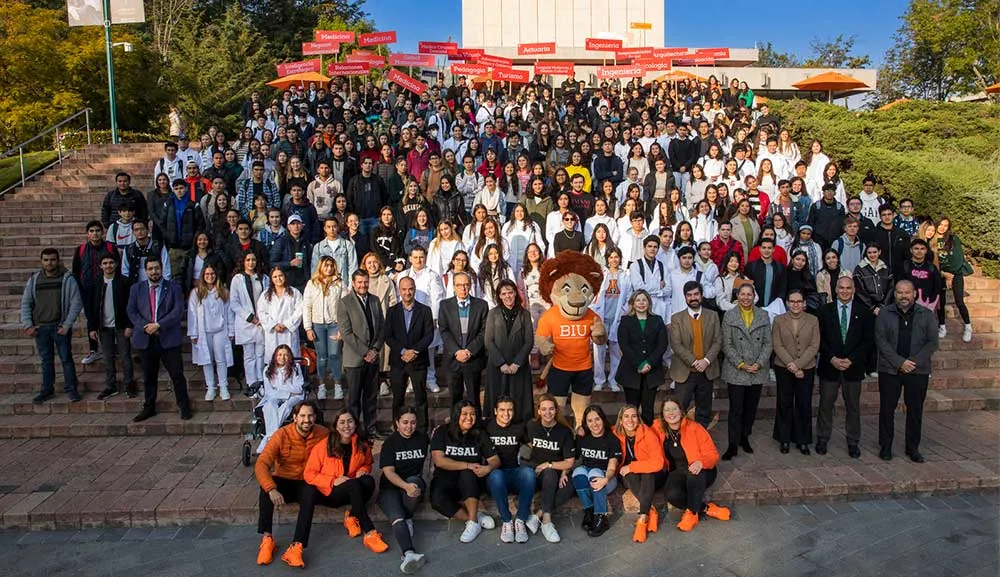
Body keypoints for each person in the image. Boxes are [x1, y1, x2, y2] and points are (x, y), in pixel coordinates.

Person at [301, 410, 389, 559]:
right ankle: (370, 532)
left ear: (355, 424)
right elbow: (309, 474)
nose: (346, 426)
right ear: (335, 426)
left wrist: (363, 470)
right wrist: (332, 480)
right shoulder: (324, 446)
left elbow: (368, 463)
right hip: (330, 491)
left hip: (351, 488)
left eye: (350, 421)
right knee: (354, 485)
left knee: (369, 481)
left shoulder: (361, 443)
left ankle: (352, 515)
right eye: (342, 422)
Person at [254, 400, 330, 568]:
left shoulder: (323, 433)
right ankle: (267, 539)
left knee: (310, 492)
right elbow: (262, 464)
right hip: (284, 480)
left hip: (307, 482)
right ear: (295, 417)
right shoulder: (281, 435)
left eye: (310, 415)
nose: (306, 420)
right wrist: (272, 489)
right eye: (302, 415)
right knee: (266, 487)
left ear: (315, 417)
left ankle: (297, 546)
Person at [875, 280, 939, 463]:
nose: (904, 296)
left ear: (914, 294)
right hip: (890, 369)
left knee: (915, 410)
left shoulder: (926, 314)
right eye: (900, 292)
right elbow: (881, 340)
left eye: (907, 292)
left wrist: (913, 362)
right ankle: (885, 446)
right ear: (894, 294)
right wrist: (899, 362)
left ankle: (913, 448)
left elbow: (932, 342)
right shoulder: (885, 313)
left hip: (917, 370)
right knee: (887, 409)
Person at [128, 258, 192, 422]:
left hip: (168, 337)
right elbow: (132, 311)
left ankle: (184, 406)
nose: (154, 272)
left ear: (162, 269)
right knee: (149, 376)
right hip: (145, 338)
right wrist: (145, 326)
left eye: (156, 268)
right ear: (145, 271)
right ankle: (149, 407)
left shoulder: (173, 288)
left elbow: (178, 310)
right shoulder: (137, 289)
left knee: (177, 375)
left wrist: (159, 325)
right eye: (150, 269)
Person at [651, 399, 730, 532]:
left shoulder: (695, 428)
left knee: (694, 475)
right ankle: (706, 508)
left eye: (674, 409)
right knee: (672, 495)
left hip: (701, 468)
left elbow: (713, 454)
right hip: (677, 471)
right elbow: (639, 434)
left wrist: (701, 462)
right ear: (662, 415)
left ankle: (692, 513)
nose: (671, 413)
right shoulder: (658, 429)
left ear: (681, 412)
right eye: (667, 410)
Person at [816, 276, 874, 458]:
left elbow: (868, 341)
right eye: (841, 288)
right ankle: (822, 439)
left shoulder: (864, 312)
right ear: (835, 289)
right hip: (829, 366)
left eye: (848, 288)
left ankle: (853, 441)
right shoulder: (824, 311)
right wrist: (832, 357)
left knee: (853, 406)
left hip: (853, 368)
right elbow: (820, 338)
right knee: (825, 404)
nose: (845, 291)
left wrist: (853, 359)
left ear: (854, 290)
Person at [430, 400, 500, 543]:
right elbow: (439, 460)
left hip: (470, 482)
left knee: (467, 474)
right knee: (437, 500)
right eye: (465, 414)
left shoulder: (479, 434)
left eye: (473, 414)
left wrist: (488, 467)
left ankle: (473, 523)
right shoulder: (442, 431)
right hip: (445, 479)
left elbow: (495, 460)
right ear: (456, 415)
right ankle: (474, 518)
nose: (469, 417)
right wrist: (467, 464)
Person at [21, 248, 85, 404]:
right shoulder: (35, 279)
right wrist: (28, 324)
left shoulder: (67, 278)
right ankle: (47, 390)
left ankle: (72, 389)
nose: (49, 263)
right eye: (46, 260)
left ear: (58, 260)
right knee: (46, 360)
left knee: (66, 359)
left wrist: (67, 324)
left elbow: (76, 303)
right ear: (42, 261)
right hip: (41, 328)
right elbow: (26, 302)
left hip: (59, 327)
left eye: (53, 259)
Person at [720, 284, 771, 460]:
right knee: (736, 408)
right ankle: (732, 444)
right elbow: (726, 344)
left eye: (749, 294)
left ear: (754, 296)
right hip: (736, 370)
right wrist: (741, 364)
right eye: (743, 294)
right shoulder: (729, 315)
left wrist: (759, 363)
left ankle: (744, 437)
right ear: (738, 296)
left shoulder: (763, 315)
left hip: (757, 370)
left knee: (751, 408)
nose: (746, 297)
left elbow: (768, 343)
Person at [377, 406, 430, 573]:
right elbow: (388, 472)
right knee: (397, 517)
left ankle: (408, 516)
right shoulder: (390, 443)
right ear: (397, 423)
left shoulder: (422, 439)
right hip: (390, 488)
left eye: (413, 422)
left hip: (413, 486)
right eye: (405, 422)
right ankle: (409, 553)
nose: (409, 426)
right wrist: (405, 486)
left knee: (415, 481)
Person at [522, 395, 577, 543]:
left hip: (553, 472)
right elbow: (524, 444)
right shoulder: (531, 426)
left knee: (567, 485)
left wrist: (551, 465)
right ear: (538, 411)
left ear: (556, 410)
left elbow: (570, 461)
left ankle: (541, 516)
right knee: (550, 474)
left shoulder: (564, 431)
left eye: (551, 409)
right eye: (544, 409)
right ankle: (546, 521)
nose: (548, 412)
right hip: (534, 472)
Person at [771, 289, 820, 455]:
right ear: (787, 303)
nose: (796, 304)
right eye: (792, 301)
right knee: (784, 403)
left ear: (804, 303)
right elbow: (777, 344)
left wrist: (799, 365)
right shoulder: (778, 320)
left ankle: (803, 440)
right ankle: (784, 439)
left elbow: (814, 345)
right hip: (783, 367)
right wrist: (791, 365)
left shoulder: (813, 320)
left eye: (799, 301)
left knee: (803, 404)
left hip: (806, 368)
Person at [384, 276, 435, 433]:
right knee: (398, 398)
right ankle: (398, 428)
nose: (407, 292)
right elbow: (388, 335)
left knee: (420, 398)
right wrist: (403, 351)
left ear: (414, 289)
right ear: (399, 291)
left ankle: (422, 429)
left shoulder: (425, 310)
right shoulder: (392, 311)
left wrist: (414, 351)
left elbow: (429, 335)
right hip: (398, 361)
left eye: (410, 289)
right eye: (404, 289)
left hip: (418, 360)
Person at [338, 269, 385, 438]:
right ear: (353, 283)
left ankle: (371, 428)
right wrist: (366, 352)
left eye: (365, 282)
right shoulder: (345, 302)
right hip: (355, 359)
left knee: (371, 396)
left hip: (372, 357)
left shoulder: (374, 300)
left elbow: (381, 327)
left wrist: (375, 349)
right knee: (354, 398)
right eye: (359, 282)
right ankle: (353, 430)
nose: (363, 285)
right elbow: (346, 333)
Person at [669, 281, 722, 429]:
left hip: (707, 372)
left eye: (696, 294)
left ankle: (700, 441)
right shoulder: (677, 318)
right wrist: (694, 361)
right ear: (685, 297)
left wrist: (705, 361)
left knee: (704, 412)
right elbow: (676, 344)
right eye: (689, 295)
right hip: (684, 372)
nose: (693, 298)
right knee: (679, 410)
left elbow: (718, 341)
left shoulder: (713, 316)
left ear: (702, 295)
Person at [484, 279, 535, 424]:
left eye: (510, 292)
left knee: (519, 399)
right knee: (497, 397)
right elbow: (488, 341)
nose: (508, 296)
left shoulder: (524, 314)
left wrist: (517, 363)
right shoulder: (493, 313)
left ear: (515, 293)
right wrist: (501, 363)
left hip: (518, 366)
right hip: (497, 366)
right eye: (504, 293)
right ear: (499, 296)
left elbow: (529, 341)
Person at [484, 396, 534, 544]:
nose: (506, 414)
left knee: (529, 473)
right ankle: (506, 521)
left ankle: (520, 520)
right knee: (496, 475)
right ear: (495, 411)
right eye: (502, 410)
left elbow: (534, 445)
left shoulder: (519, 427)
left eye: (510, 410)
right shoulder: (487, 426)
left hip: (514, 472)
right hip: (495, 475)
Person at [615, 290, 669, 425]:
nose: (641, 303)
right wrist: (639, 364)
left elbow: (662, 345)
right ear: (632, 304)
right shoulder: (626, 321)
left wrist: (649, 363)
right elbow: (624, 345)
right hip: (631, 371)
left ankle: (647, 441)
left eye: (644, 300)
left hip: (652, 372)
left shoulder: (657, 320)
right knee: (631, 410)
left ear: (649, 303)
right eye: (638, 300)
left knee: (648, 411)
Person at [613, 405, 666, 543]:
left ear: (638, 418)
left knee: (647, 474)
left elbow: (658, 463)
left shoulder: (647, 433)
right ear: (620, 419)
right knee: (628, 474)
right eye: (626, 416)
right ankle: (651, 510)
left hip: (654, 474)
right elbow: (598, 430)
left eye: (634, 416)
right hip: (630, 476)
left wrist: (632, 466)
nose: (630, 420)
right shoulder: (615, 433)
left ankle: (643, 518)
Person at [439, 272, 489, 415]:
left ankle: (476, 428)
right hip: (453, 359)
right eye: (460, 285)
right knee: (455, 398)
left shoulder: (481, 305)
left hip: (473, 359)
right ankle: (455, 430)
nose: (463, 288)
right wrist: (457, 351)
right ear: (454, 287)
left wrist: (469, 351)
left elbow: (483, 331)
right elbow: (444, 331)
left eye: (466, 285)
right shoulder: (445, 305)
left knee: (474, 398)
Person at [85, 253, 135, 400]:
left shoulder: (124, 282)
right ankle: (111, 386)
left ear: (116, 264)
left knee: (125, 356)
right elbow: (91, 307)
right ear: (100, 266)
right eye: (105, 263)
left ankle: (129, 386)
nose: (108, 266)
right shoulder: (96, 283)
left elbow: (130, 305)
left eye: (111, 263)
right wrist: (92, 327)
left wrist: (129, 325)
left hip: (121, 325)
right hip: (103, 327)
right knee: (108, 358)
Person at [187, 265, 235, 401]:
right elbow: (192, 315)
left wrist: (231, 330)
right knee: (207, 360)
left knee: (221, 360)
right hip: (204, 331)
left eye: (212, 274)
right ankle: (211, 387)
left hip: (220, 330)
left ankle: (223, 387)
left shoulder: (223, 292)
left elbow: (229, 312)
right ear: (203, 276)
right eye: (207, 274)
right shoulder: (196, 293)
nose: (210, 276)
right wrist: (193, 334)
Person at [573, 405, 621, 537]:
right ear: (586, 423)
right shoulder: (584, 437)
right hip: (589, 477)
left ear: (603, 419)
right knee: (578, 472)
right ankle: (589, 510)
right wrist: (577, 436)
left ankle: (601, 517)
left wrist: (605, 479)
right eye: (590, 421)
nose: (594, 424)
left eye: (597, 419)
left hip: (607, 479)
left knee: (594, 472)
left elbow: (612, 467)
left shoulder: (611, 439)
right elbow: (573, 457)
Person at [303, 255, 345, 402]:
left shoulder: (339, 283)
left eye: (331, 265)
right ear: (320, 267)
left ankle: (338, 385)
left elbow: (344, 306)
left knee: (334, 354)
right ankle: (321, 386)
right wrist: (308, 328)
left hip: (334, 324)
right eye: (326, 265)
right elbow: (306, 306)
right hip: (318, 325)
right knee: (321, 356)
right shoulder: (312, 283)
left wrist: (342, 328)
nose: (328, 268)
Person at [256, 345, 305, 452]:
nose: (282, 357)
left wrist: (281, 390)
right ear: (275, 356)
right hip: (275, 396)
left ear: (290, 357)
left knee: (287, 406)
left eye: (286, 355)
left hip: (294, 397)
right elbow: (269, 391)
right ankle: (272, 438)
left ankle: (267, 439)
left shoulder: (295, 367)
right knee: (269, 406)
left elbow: (299, 388)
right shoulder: (268, 370)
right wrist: (287, 391)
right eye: (279, 354)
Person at [231, 252, 268, 393]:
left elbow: (267, 299)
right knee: (249, 355)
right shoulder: (237, 279)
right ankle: (252, 383)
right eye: (248, 260)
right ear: (243, 262)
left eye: (253, 260)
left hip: (261, 322)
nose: (251, 263)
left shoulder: (264, 278)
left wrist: (262, 318)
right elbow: (234, 303)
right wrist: (250, 317)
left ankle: (261, 382)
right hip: (246, 322)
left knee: (261, 354)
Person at [934, 217, 973, 342]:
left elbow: (958, 259)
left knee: (959, 301)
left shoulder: (953, 239)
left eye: (945, 225)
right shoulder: (932, 240)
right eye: (940, 224)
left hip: (955, 274)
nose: (942, 227)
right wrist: (943, 274)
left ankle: (968, 326)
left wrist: (950, 275)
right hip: (940, 274)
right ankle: (942, 327)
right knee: (941, 302)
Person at [257, 267, 303, 362]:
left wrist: (286, 324)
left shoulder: (295, 292)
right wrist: (274, 325)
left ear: (285, 276)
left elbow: (300, 310)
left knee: (290, 360)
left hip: (289, 332)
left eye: (280, 275)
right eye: (275, 277)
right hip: (273, 333)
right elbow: (261, 312)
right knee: (274, 361)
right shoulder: (265, 294)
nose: (278, 279)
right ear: (271, 279)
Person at [853, 244, 893, 316]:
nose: (872, 255)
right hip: (865, 308)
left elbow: (891, 288)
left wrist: (883, 306)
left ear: (879, 252)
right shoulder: (859, 269)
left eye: (874, 252)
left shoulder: (886, 268)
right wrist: (872, 307)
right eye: (869, 252)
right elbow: (859, 291)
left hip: (884, 308)